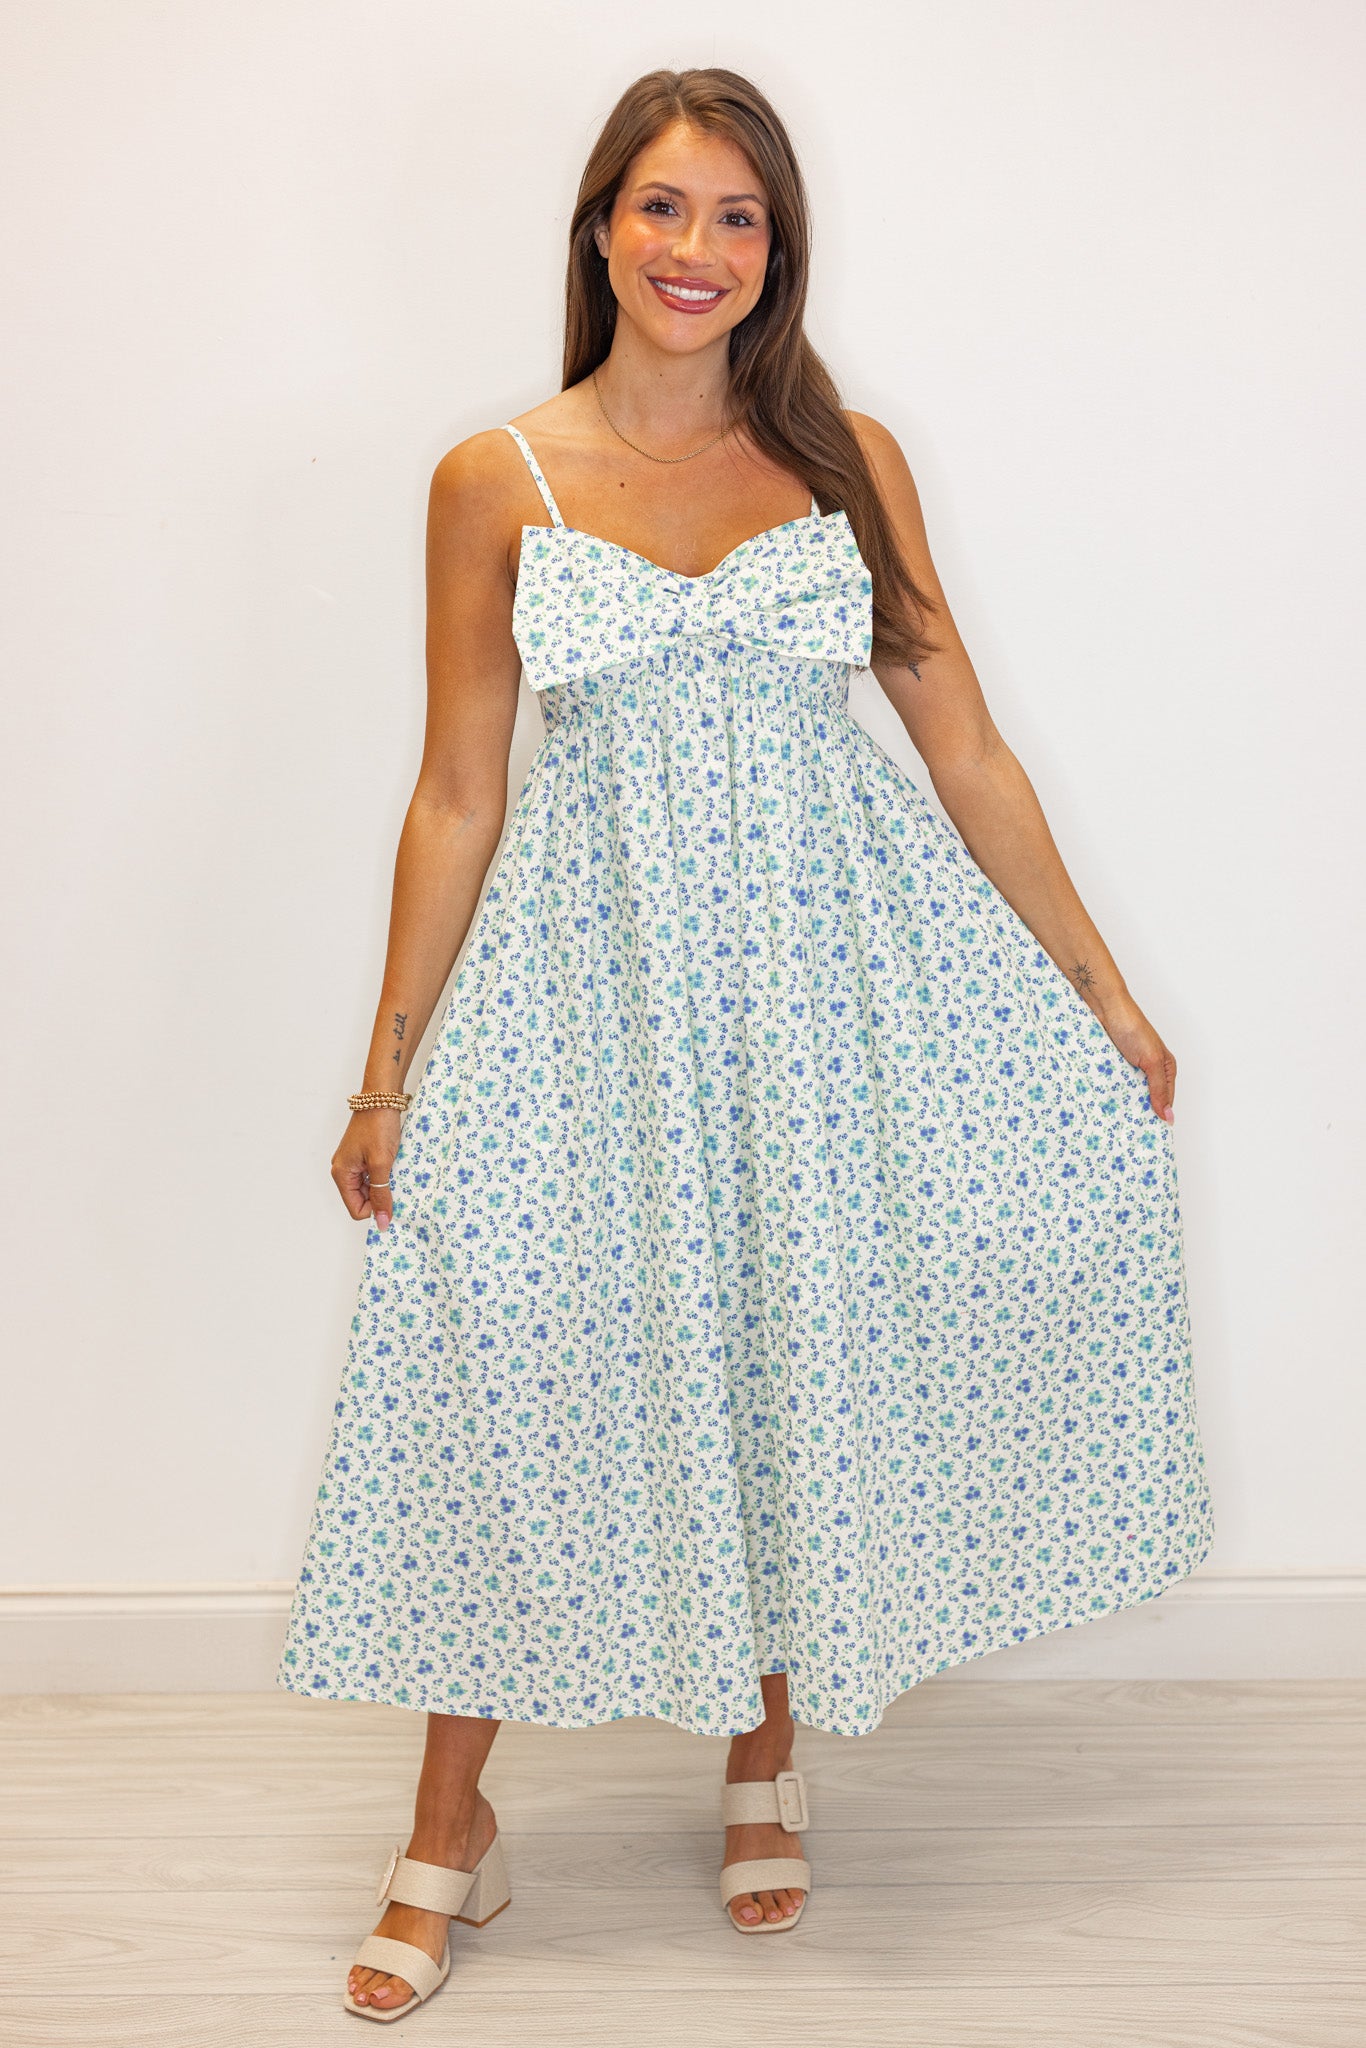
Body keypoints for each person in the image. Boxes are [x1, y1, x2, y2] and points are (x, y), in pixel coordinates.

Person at [277, 64, 1215, 2022]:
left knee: (792, 1346)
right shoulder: (494, 479)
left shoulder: (844, 457)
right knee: (509, 1370)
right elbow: (456, 791)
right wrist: (388, 1070)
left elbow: (960, 744)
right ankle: (449, 1826)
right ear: (599, 227)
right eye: (662, 206)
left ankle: (762, 1752)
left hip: (828, 998)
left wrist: (1101, 992)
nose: (694, 249)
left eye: (736, 217)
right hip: (585, 1001)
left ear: (775, 252)